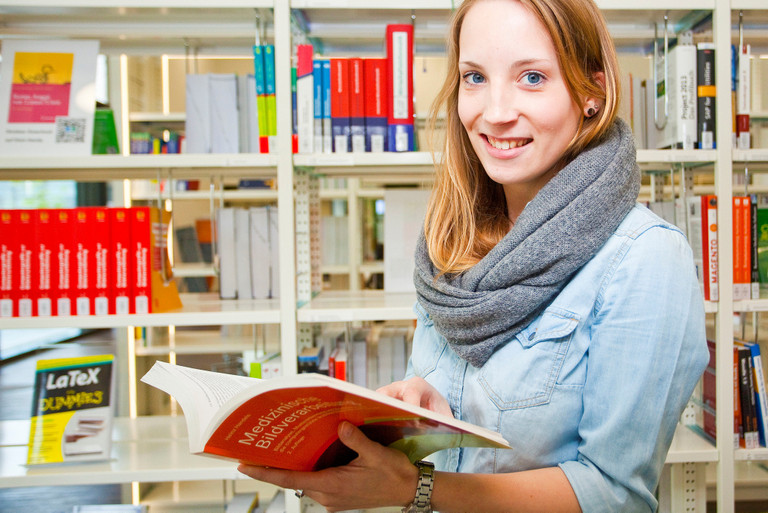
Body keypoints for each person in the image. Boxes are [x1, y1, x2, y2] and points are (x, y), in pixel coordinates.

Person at [238, 0, 710, 511]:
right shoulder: (450, 244)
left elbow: (615, 496)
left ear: (591, 91)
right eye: (475, 77)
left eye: (532, 77)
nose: (496, 112)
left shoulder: (647, 259)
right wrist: (423, 409)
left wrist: (413, 488)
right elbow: (464, 405)